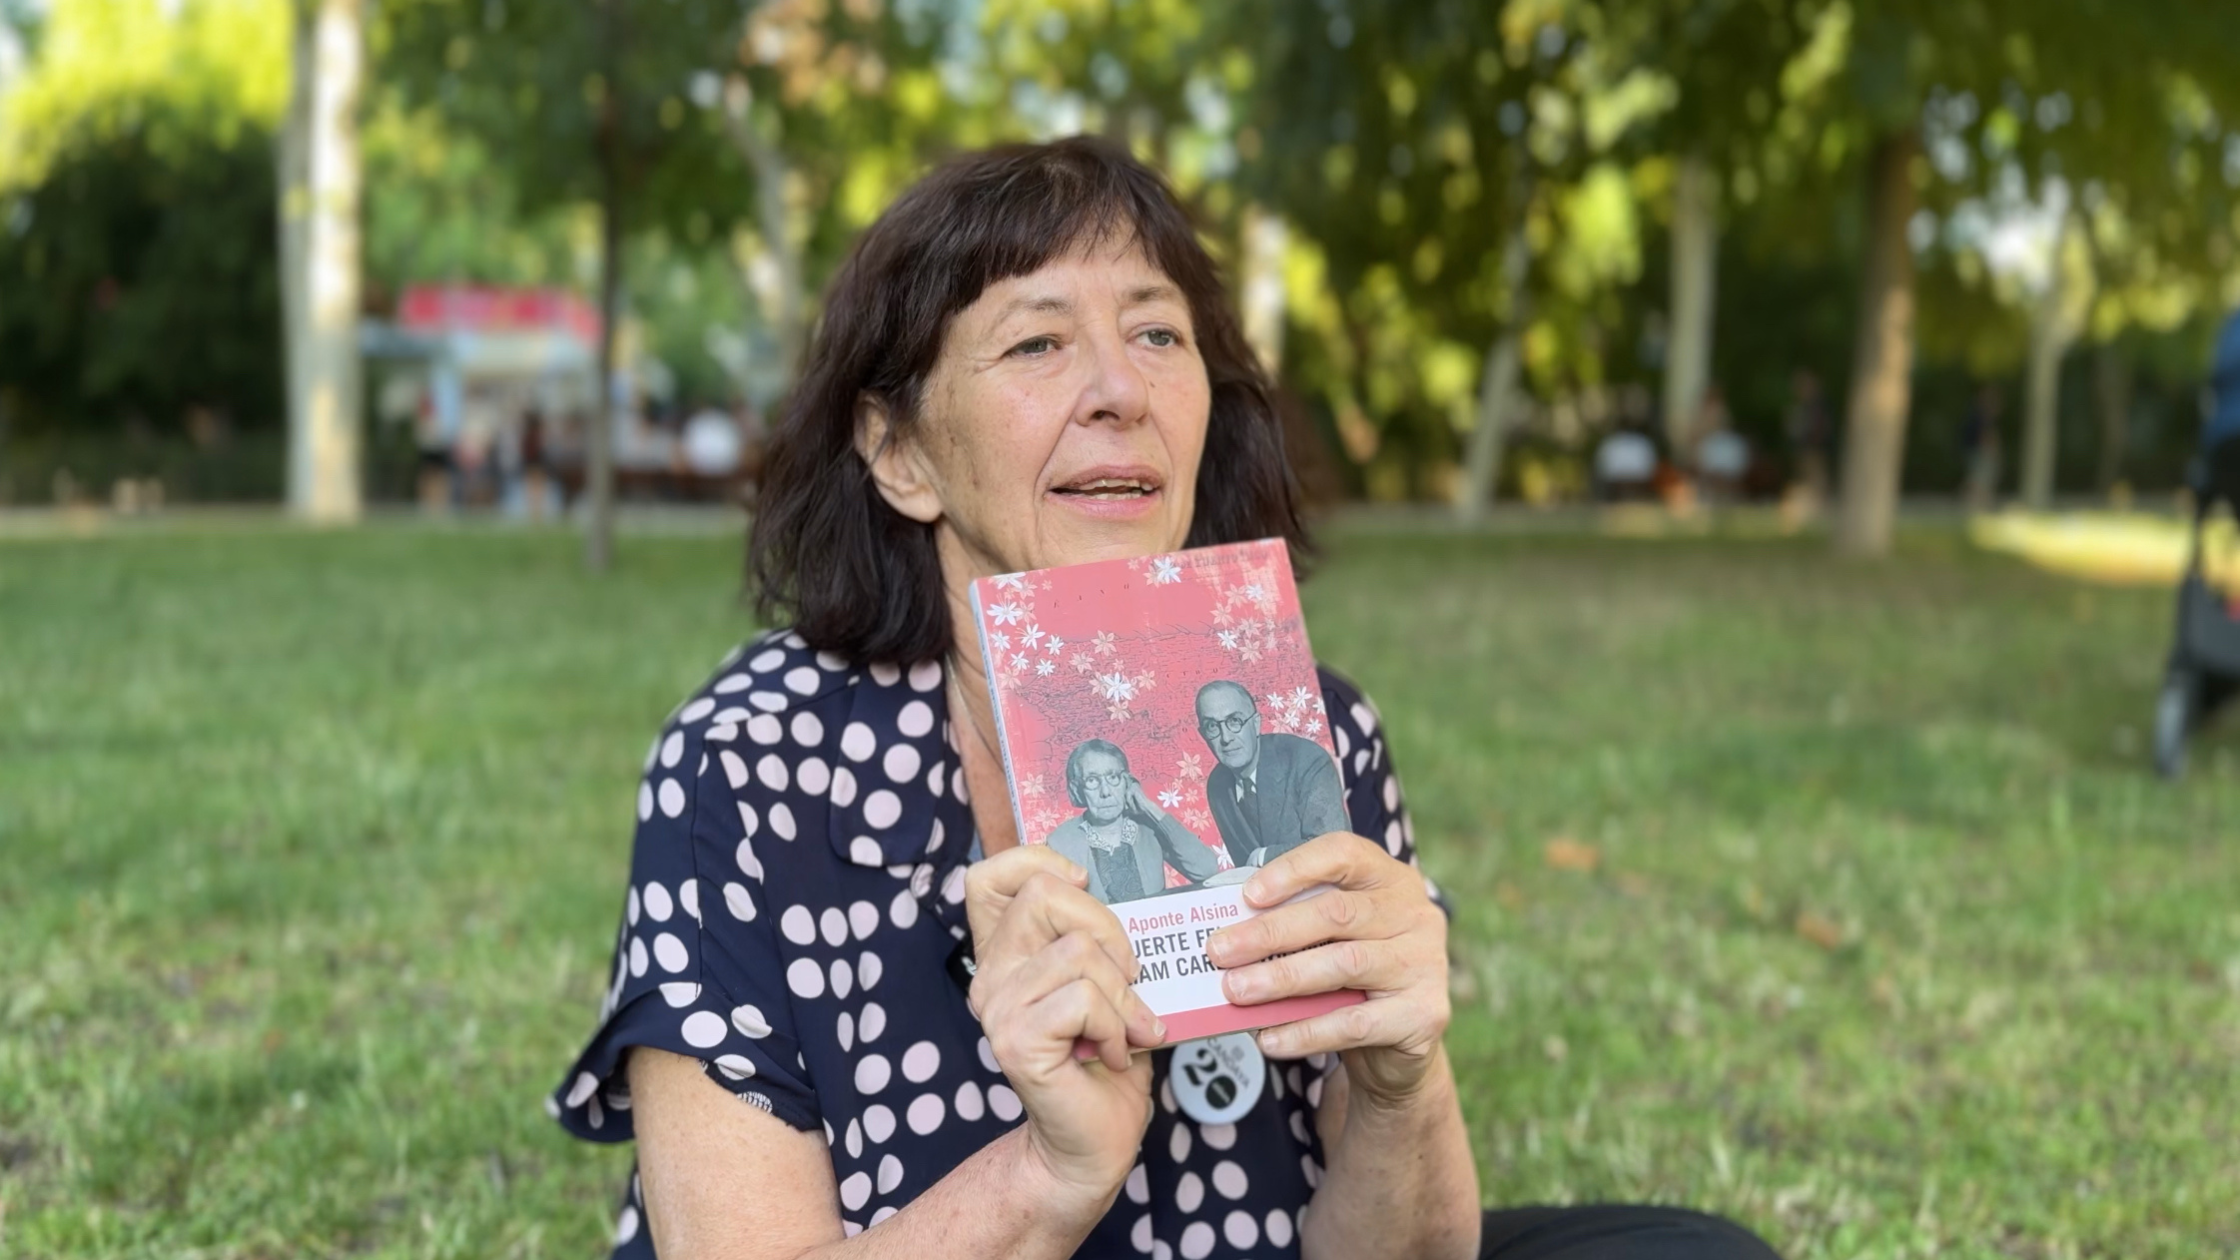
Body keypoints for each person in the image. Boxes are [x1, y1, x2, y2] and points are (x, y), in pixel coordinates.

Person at [548, 138, 1780, 1260]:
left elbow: (1411, 1253)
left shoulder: (1314, 729)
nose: (1117, 391)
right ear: (901, 455)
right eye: (1036, 343)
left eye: (1155, 335)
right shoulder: (749, 767)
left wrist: (1404, 1083)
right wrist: (1044, 1176)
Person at [1041, 739, 1220, 904]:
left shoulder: (1149, 829)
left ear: (1126, 781)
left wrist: (1149, 807)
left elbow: (1206, 870)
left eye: (1113, 777)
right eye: (1092, 780)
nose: (1106, 791)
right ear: (1077, 788)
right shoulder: (1060, 842)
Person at [1196, 680, 1348, 870]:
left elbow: (1334, 847)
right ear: (1203, 735)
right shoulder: (1217, 785)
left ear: (1256, 723)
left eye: (1235, 721)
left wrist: (1264, 856)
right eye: (1212, 726)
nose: (1226, 738)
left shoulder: (1307, 760)